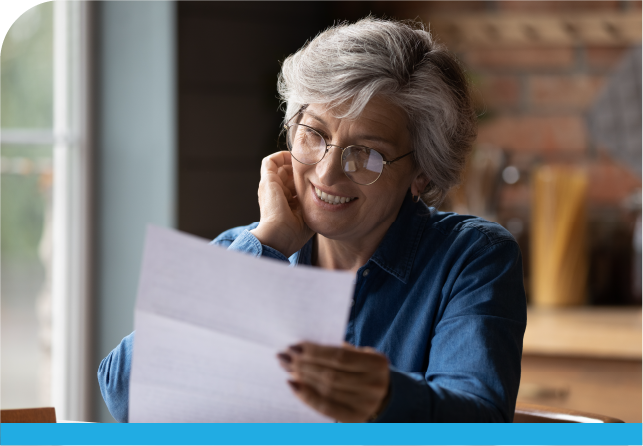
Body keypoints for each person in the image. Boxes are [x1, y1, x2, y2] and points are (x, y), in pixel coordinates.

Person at [98, 17, 526, 423]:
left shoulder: (472, 258)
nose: (326, 173)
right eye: (313, 134)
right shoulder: (250, 251)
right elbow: (125, 396)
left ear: (422, 173)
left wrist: (384, 400)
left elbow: (480, 421)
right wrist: (267, 244)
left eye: (367, 154)